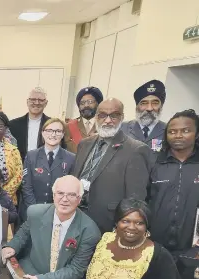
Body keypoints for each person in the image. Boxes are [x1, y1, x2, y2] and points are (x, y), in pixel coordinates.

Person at [1, 175, 101, 279]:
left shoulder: (89, 230)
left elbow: (76, 270)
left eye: (71, 195)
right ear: (53, 195)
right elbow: (23, 234)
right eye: (60, 193)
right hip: (34, 268)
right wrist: (11, 247)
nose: (64, 199)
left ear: (79, 198)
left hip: (60, 278)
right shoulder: (35, 212)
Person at [71, 98, 152, 233]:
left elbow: (136, 198)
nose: (108, 121)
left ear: (122, 117)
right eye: (102, 115)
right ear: (96, 117)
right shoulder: (84, 144)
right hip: (76, 216)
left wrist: (123, 226)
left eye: (114, 115)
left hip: (107, 223)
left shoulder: (135, 149)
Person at [149, 109, 199, 257]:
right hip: (154, 245)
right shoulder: (154, 161)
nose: (178, 135)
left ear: (196, 134)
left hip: (192, 249)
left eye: (185, 131)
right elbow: (143, 200)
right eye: (172, 131)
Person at [21, 118, 76, 220]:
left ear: (63, 134)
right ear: (42, 133)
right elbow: (26, 186)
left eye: (58, 131)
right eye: (49, 130)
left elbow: (70, 189)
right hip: (31, 211)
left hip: (57, 214)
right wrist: (35, 210)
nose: (53, 134)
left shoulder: (71, 158)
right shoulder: (31, 156)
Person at [121, 80, 167, 152]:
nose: (149, 108)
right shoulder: (122, 128)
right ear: (137, 107)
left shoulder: (168, 131)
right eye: (144, 103)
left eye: (155, 103)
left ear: (161, 106)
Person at [9, 87, 51, 160]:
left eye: (41, 100)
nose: (37, 103)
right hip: (19, 166)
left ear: (46, 103)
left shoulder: (52, 125)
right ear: (27, 102)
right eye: (33, 99)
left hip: (44, 167)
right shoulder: (13, 125)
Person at [64, 86, 103, 153]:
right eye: (82, 103)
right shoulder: (68, 127)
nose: (86, 105)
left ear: (98, 104)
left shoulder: (104, 125)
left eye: (90, 102)